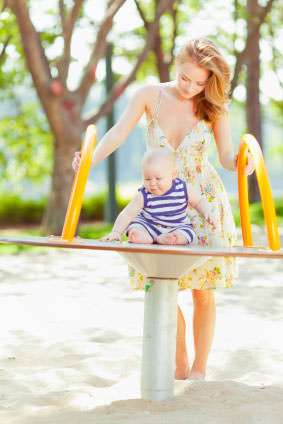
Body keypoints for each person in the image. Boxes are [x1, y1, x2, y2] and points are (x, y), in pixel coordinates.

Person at [72, 37, 255, 381]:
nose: (191, 87)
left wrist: (241, 164)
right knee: (163, 286)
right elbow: (117, 133)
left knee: (203, 290)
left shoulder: (214, 104)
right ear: (176, 64)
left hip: (202, 202)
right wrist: (88, 160)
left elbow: (228, 155)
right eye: (186, 78)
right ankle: (180, 363)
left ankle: (200, 369)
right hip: (159, 203)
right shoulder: (148, 95)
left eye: (200, 82)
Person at [101, 148, 216, 244]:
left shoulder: (183, 188)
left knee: (187, 233)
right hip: (148, 225)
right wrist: (116, 231)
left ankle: (173, 238)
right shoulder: (144, 194)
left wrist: (206, 211)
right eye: (147, 179)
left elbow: (198, 202)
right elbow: (127, 213)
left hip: (176, 226)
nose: (152, 183)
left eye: (158, 178)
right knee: (135, 226)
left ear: (173, 175)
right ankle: (142, 236)